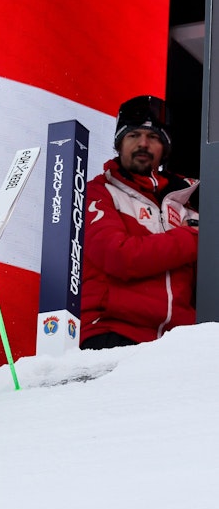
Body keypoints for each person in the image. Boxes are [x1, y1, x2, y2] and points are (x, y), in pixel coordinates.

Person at [79, 95, 199, 350]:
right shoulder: (99, 192)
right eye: (133, 135)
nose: (143, 143)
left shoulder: (186, 207)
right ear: (119, 144)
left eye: (153, 137)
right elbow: (119, 257)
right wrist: (192, 237)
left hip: (175, 345)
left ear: (164, 149)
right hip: (112, 333)